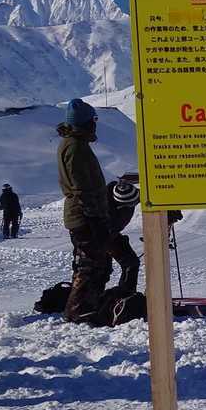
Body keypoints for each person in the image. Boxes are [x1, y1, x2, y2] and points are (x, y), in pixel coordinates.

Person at [56, 98, 110, 323]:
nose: (95, 124)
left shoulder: (75, 144)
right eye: (93, 120)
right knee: (89, 263)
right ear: (85, 122)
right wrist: (93, 215)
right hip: (83, 214)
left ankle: (88, 304)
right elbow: (80, 185)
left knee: (93, 261)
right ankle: (78, 309)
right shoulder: (75, 147)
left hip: (83, 213)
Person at [104, 178, 141, 296]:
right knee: (102, 270)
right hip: (101, 237)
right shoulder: (107, 212)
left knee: (131, 263)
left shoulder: (127, 192)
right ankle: (123, 296)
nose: (133, 205)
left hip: (112, 234)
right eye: (131, 204)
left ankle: (127, 293)